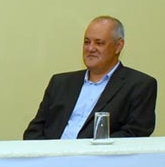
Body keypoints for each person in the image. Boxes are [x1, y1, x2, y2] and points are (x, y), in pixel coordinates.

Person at [24, 16, 156, 139]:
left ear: (118, 46)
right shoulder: (60, 83)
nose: (90, 48)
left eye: (99, 43)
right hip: (51, 159)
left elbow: (135, 133)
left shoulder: (139, 85)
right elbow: (34, 130)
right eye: (87, 42)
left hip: (97, 160)